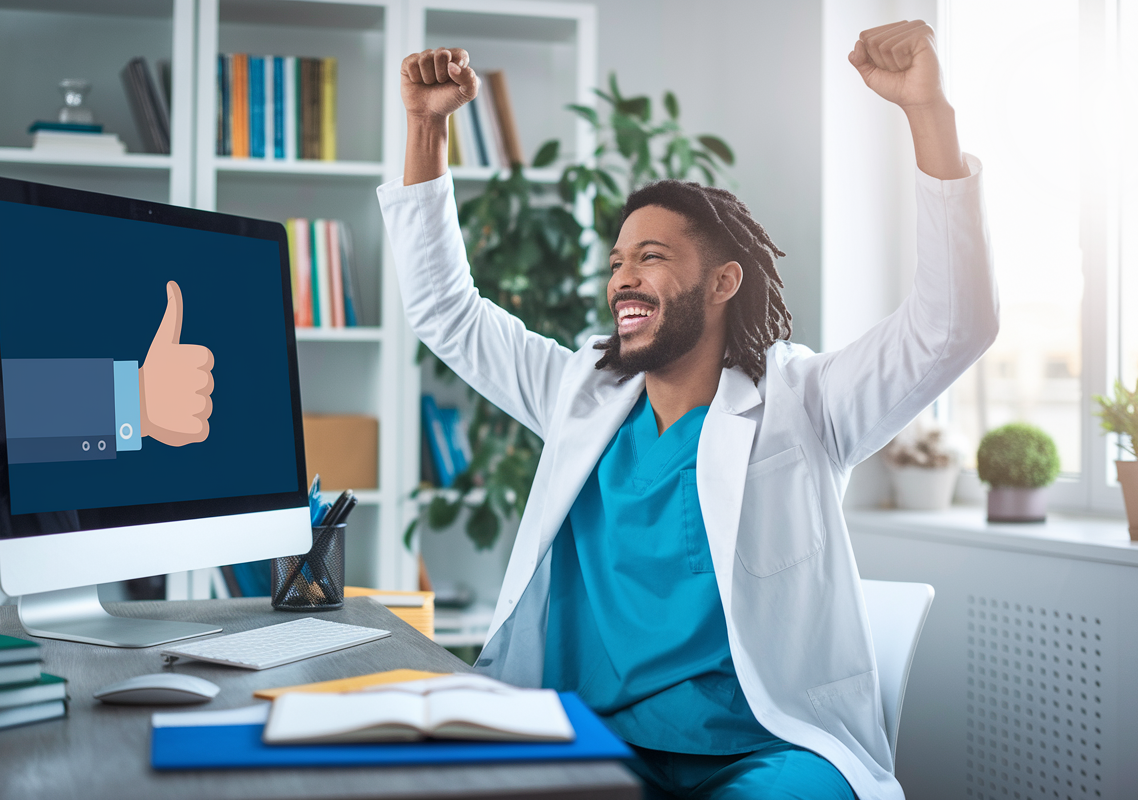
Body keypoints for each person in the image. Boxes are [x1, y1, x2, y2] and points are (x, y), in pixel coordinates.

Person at [377, 20, 997, 800]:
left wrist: (928, 115)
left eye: (652, 257)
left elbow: (952, 327)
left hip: (764, 751)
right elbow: (446, 312)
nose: (622, 279)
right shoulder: (578, 394)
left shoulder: (803, 405)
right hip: (595, 739)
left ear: (724, 282)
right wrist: (426, 127)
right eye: (617, 262)